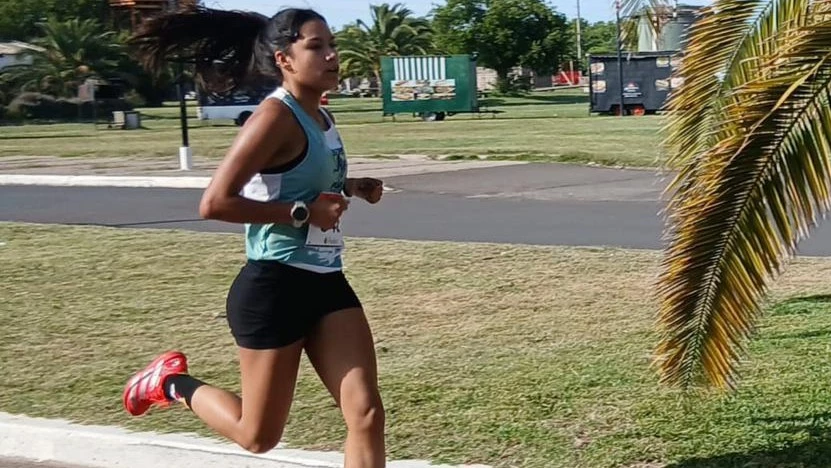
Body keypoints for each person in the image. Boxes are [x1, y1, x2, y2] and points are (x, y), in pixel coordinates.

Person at [120, 6, 387, 468]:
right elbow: (215, 202)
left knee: (365, 414)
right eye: (316, 46)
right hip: (274, 286)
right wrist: (304, 212)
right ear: (284, 59)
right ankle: (169, 384)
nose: (331, 56)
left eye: (332, 44)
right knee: (257, 435)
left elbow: (292, 180)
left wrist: (351, 186)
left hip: (326, 281)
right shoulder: (273, 117)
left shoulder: (321, 117)